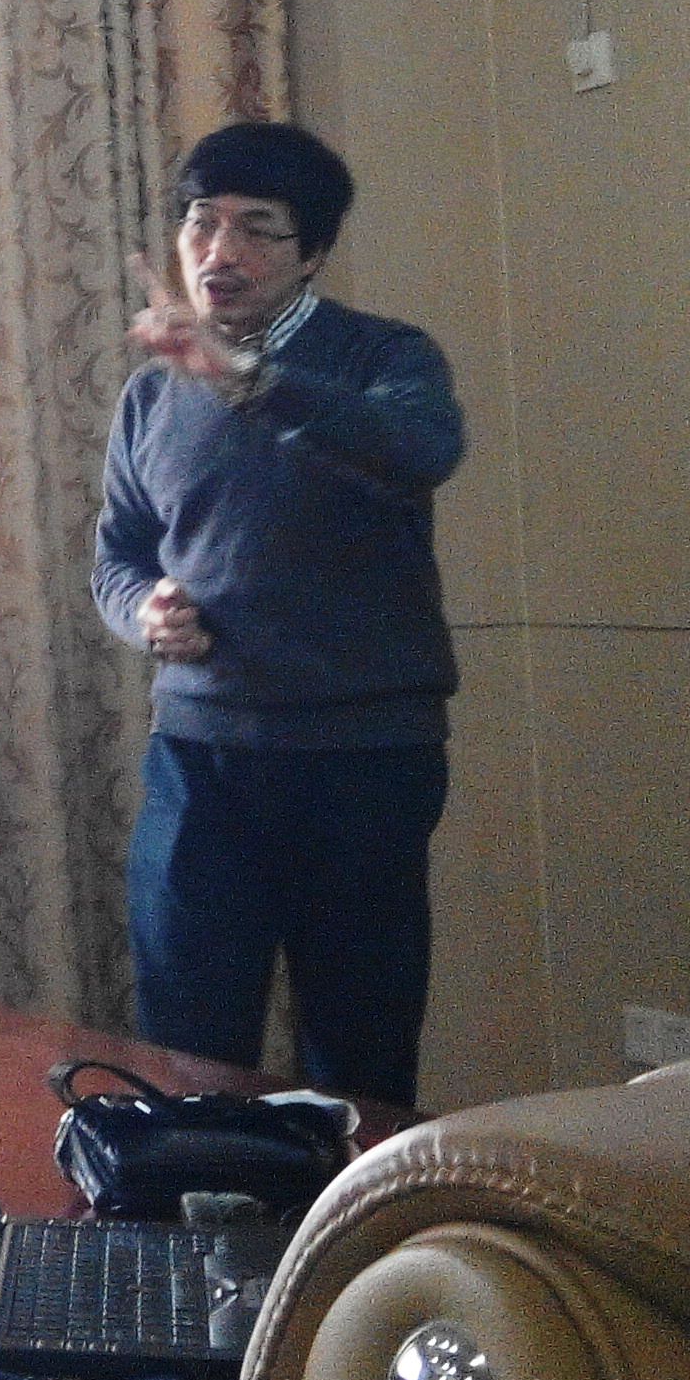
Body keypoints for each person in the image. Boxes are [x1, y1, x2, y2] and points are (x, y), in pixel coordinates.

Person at [91, 121, 464, 1107]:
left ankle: (357, 1214)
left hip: (362, 759)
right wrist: (144, 612)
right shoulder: (149, 399)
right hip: (198, 758)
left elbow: (418, 447)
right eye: (200, 223)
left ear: (311, 253)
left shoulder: (385, 355)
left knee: (360, 1047)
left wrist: (247, 380)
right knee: (185, 1049)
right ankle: (200, 1212)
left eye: (257, 228)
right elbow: (119, 555)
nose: (219, 251)